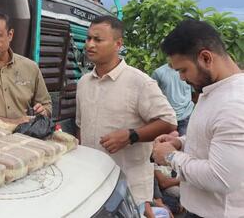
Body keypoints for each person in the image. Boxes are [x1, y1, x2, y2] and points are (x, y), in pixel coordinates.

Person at [76, 15, 177, 205]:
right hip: (93, 183)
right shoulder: (83, 83)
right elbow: (80, 126)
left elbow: (168, 121)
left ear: (118, 44)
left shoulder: (139, 82)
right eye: (88, 38)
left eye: (98, 39)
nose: (90, 44)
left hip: (129, 188)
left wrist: (131, 136)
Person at [152, 20, 244, 218]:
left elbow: (221, 178)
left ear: (205, 58)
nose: (182, 79)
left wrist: (170, 156)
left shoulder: (234, 103)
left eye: (183, 70)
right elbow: (212, 137)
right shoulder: (214, 90)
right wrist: (179, 143)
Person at [152, 63, 194, 135]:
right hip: (167, 117)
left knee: (185, 143)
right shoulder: (159, 72)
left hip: (186, 116)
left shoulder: (189, 71)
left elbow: (195, 93)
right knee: (166, 143)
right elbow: (152, 95)